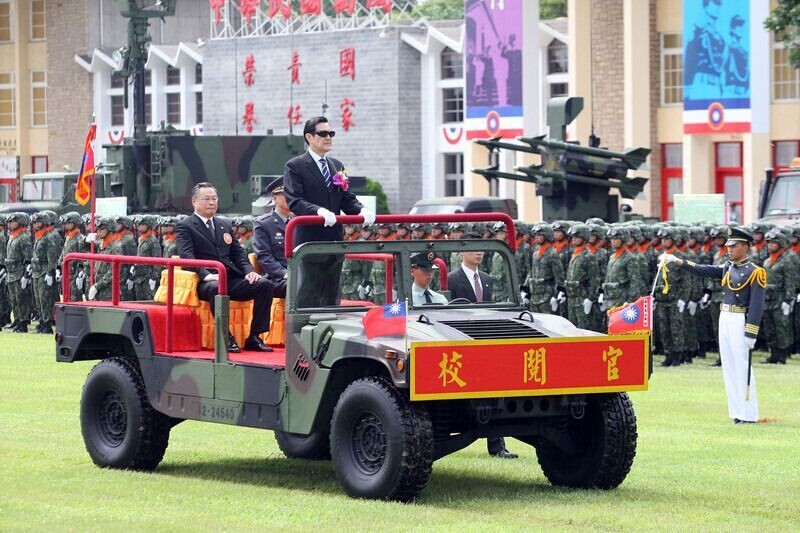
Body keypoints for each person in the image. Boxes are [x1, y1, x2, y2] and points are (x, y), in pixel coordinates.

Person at [660, 226, 765, 424]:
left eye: (734, 246)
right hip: (725, 317)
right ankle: (736, 411)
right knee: (729, 366)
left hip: (740, 319)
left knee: (742, 366)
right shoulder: (728, 267)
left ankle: (749, 413)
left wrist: (751, 333)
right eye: (728, 246)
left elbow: (757, 305)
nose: (729, 249)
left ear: (745, 247)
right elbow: (702, 270)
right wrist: (678, 261)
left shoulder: (755, 272)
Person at [177, 182, 285, 353]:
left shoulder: (224, 224)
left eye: (214, 199)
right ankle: (226, 337)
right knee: (216, 288)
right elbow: (187, 257)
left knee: (265, 285)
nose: (211, 202)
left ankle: (255, 336)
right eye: (206, 199)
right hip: (208, 281)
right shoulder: (186, 226)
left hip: (231, 278)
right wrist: (206, 275)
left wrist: (249, 272)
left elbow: (238, 254)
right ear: (194, 202)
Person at [283, 116, 374, 307]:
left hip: (334, 241)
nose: (328, 137)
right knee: (308, 296)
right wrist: (318, 211)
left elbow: (346, 198)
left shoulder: (336, 165)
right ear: (309, 137)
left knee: (331, 296)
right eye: (323, 133)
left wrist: (362, 210)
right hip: (310, 242)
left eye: (331, 133)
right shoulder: (295, 166)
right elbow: (295, 201)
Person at [254, 177, 291, 281]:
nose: (291, 199)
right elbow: (264, 257)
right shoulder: (263, 224)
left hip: (299, 275)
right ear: (275, 198)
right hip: (277, 278)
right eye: (286, 195)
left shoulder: (298, 221)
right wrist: (284, 273)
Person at [134, 215, 162, 301]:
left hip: (148, 277)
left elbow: (157, 260)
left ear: (150, 226)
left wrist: (154, 277)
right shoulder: (141, 239)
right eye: (140, 225)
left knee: (149, 301)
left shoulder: (153, 241)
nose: (140, 227)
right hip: (139, 277)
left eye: (143, 225)